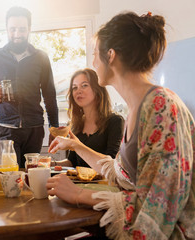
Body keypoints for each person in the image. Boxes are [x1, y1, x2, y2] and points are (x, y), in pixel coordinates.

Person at [47, 12, 195, 239]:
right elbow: (120, 173)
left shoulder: (161, 107)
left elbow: (160, 206)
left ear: (111, 55)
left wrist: (79, 194)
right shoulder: (137, 108)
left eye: (95, 54)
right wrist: (75, 146)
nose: (94, 63)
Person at [0, 6, 59, 168]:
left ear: (29, 29)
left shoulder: (41, 58)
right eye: (13, 29)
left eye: (22, 29)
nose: (17, 34)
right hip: (6, 130)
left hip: (34, 129)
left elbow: (49, 95)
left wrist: (54, 129)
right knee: (9, 176)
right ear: (7, 29)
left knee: (32, 175)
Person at [54, 68, 124, 168]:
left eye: (84, 85)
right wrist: (49, 164)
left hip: (103, 182)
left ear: (97, 89)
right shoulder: (75, 125)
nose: (78, 91)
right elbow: (72, 162)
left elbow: (112, 164)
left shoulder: (115, 121)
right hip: (80, 182)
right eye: (75, 88)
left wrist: (77, 146)